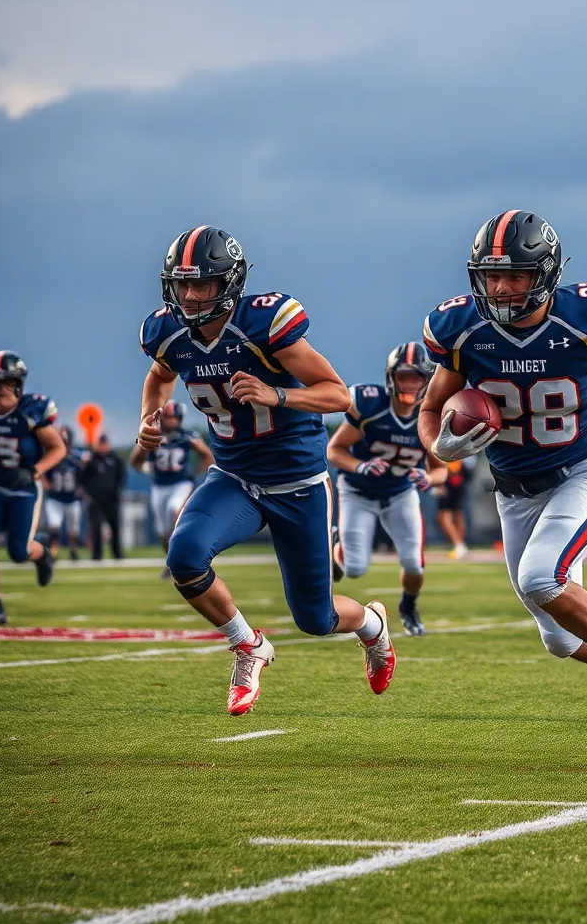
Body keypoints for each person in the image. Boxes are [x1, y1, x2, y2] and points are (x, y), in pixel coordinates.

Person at [420, 210, 587, 752]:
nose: (499, 287)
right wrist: (440, 446)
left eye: (514, 275)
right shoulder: (462, 328)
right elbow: (431, 408)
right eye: (490, 275)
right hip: (512, 488)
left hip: (585, 472)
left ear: (545, 273)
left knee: (542, 578)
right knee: (560, 641)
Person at [136, 225, 396, 715]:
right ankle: (247, 645)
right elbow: (159, 377)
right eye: (183, 284)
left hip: (298, 484)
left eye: (204, 285)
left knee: (315, 619)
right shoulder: (167, 332)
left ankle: (372, 625)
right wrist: (148, 418)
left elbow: (338, 395)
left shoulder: (262, 325)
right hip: (233, 477)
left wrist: (277, 393)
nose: (191, 296)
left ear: (229, 284)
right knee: (185, 556)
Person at [327, 342, 448, 636]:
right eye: (403, 376)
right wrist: (360, 466)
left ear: (426, 381)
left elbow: (441, 469)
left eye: (415, 377)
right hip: (358, 491)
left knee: (414, 565)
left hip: (400, 493)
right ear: (390, 378)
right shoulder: (370, 406)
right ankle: (336, 546)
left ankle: (408, 607)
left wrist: (427, 479)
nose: (408, 384)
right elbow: (335, 450)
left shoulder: (429, 415)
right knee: (355, 569)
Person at [0, 351, 65, 624]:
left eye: (5, 381)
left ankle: (41, 553)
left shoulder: (30, 411)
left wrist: (34, 471)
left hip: (25, 489)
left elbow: (57, 449)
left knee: (17, 551)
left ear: (17, 383)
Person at [130, 399, 213, 576]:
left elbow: (207, 457)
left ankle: (185, 557)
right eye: (167, 417)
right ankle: (171, 561)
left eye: (173, 417)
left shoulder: (188, 436)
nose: (170, 421)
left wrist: (195, 473)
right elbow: (135, 460)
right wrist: (145, 465)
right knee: (162, 530)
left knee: (174, 510)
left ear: (179, 418)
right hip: (160, 485)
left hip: (180, 483)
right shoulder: (153, 434)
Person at [79, 434, 126, 560]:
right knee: (96, 526)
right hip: (95, 499)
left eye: (104, 444)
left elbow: (121, 477)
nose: (103, 446)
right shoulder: (91, 460)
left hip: (111, 499)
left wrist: (117, 491)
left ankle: (117, 553)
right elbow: (82, 478)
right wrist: (84, 464)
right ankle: (97, 554)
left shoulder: (115, 459)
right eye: (101, 444)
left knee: (115, 526)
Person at [44, 425, 85, 561]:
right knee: (54, 526)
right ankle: (53, 552)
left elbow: (84, 474)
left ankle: (73, 550)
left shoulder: (76, 457)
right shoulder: (51, 455)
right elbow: (43, 470)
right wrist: (46, 483)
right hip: (55, 498)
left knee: (73, 529)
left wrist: (81, 487)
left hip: (72, 498)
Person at [437, 456, 476, 559]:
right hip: (459, 473)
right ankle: (460, 544)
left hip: (452, 472)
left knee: (445, 515)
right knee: (456, 512)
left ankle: (459, 545)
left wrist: (440, 483)